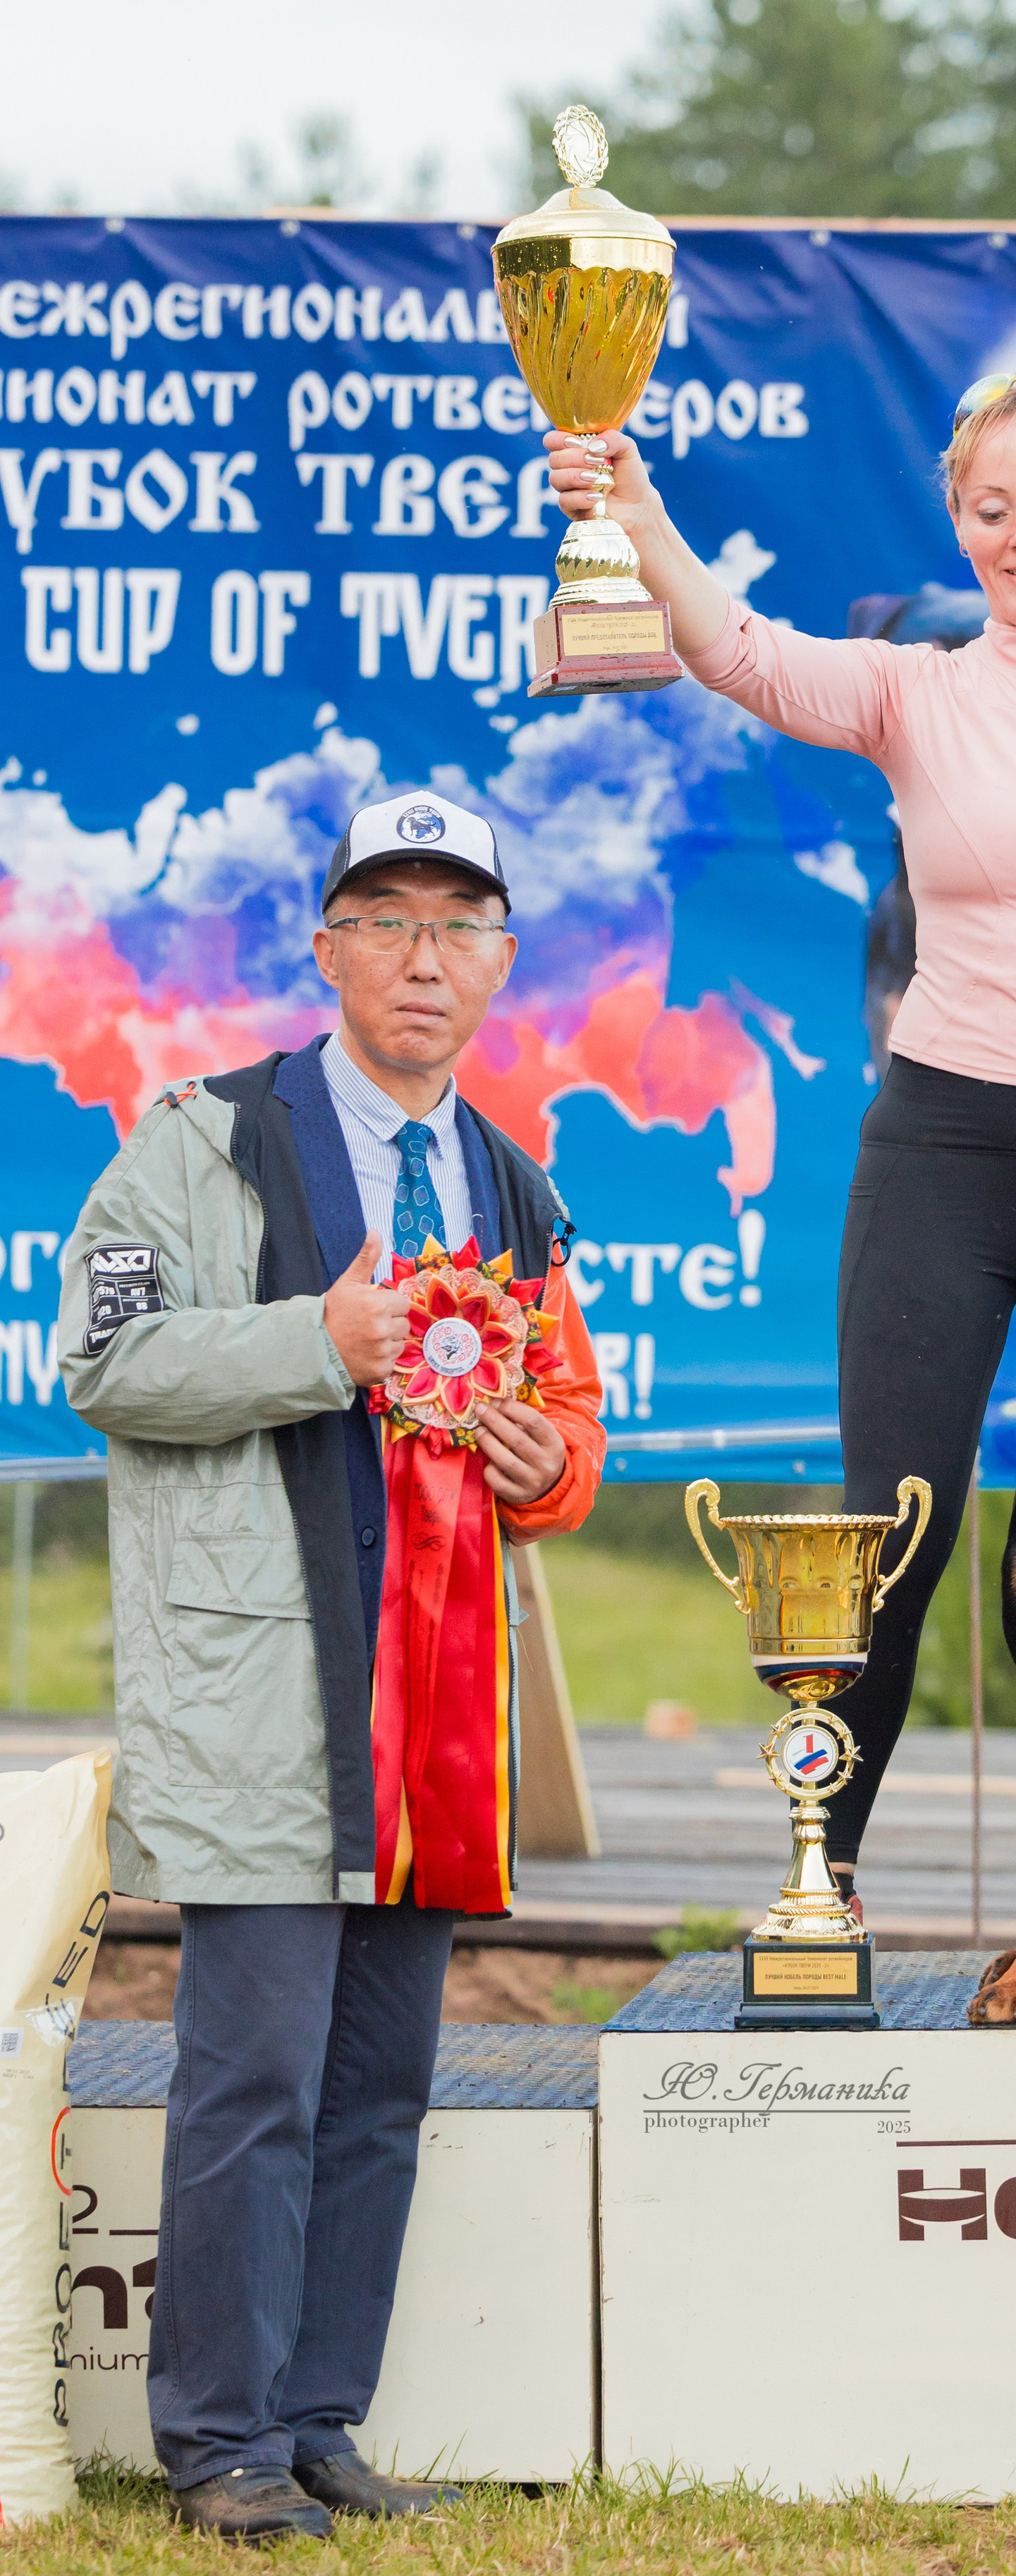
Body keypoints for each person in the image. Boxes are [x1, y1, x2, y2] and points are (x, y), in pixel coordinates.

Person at [544, 369, 1016, 1906]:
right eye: (987, 509)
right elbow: (735, 649)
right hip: (941, 1157)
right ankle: (813, 1900)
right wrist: (635, 512)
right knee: (883, 1548)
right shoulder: (917, 689)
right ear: (958, 527)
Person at [59, 793, 603, 2543]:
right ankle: (214, 2438)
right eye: (387, 917)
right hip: (265, 1695)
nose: (424, 954)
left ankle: (318, 2420)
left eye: (460, 922)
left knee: (379, 2083)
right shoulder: (197, 1141)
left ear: (501, 962)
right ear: (328, 949)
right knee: (252, 2078)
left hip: (438, 1717)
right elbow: (106, 1356)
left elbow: (568, 1417)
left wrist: (551, 1469)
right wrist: (323, 1336)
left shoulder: (513, 1180)